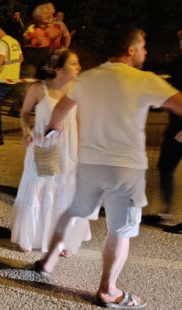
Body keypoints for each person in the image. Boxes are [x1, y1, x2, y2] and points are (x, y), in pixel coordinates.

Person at [35, 26, 182, 309]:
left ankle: (47, 261)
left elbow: (60, 111)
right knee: (121, 229)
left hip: (89, 162)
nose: (145, 51)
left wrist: (52, 131)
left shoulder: (88, 78)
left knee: (74, 211)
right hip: (125, 167)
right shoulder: (144, 80)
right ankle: (107, 291)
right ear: (130, 49)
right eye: (143, 46)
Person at [11, 49, 91, 254]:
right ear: (58, 68)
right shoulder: (39, 89)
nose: (79, 67)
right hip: (45, 146)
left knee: (66, 190)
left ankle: (62, 240)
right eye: (74, 63)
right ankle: (29, 236)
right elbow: (24, 114)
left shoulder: (78, 90)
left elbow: (82, 121)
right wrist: (26, 130)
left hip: (69, 148)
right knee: (42, 186)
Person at [159, 29, 182, 224]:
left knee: (166, 166)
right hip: (175, 124)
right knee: (165, 166)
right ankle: (166, 211)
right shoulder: (176, 64)